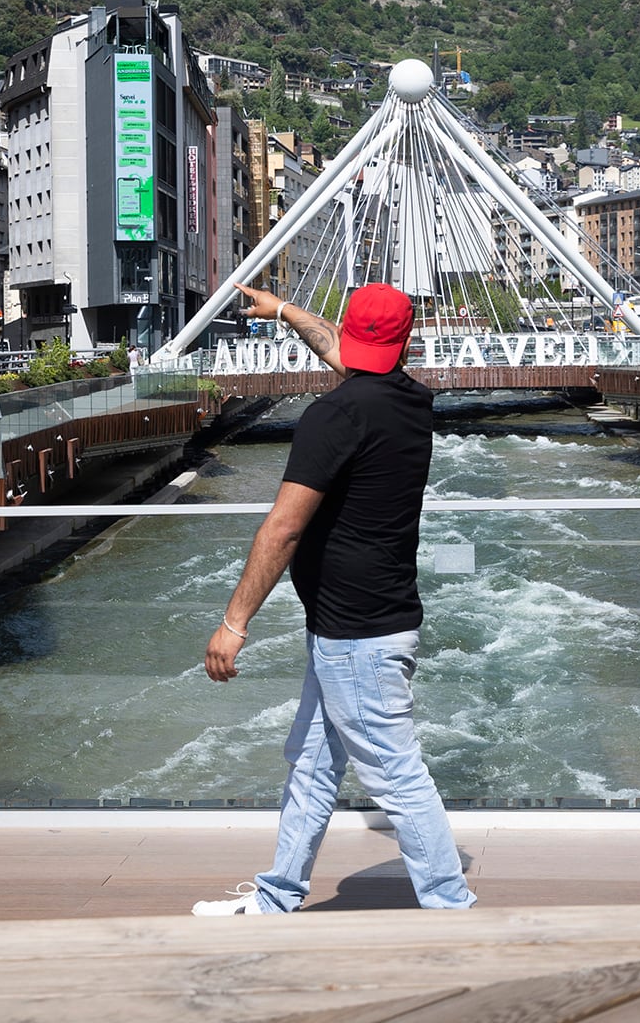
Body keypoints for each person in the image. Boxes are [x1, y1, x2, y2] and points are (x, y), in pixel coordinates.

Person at [192, 281, 475, 917]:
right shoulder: (410, 400)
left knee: (396, 775)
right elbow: (347, 360)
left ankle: (452, 907)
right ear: (403, 341)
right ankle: (276, 896)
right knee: (313, 766)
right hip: (358, 622)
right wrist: (285, 310)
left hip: (357, 634)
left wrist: (233, 624)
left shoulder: (333, 415)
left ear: (352, 333)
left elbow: (283, 527)